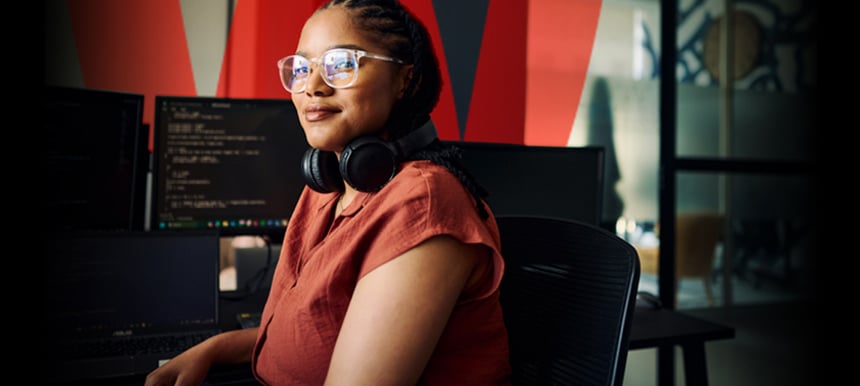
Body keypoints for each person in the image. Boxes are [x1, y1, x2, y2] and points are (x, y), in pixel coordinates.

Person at [145, 0, 511, 385]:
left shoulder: (422, 205)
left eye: (341, 64)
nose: (313, 87)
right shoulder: (330, 185)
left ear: (406, 80)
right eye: (302, 68)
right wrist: (215, 348)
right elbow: (313, 335)